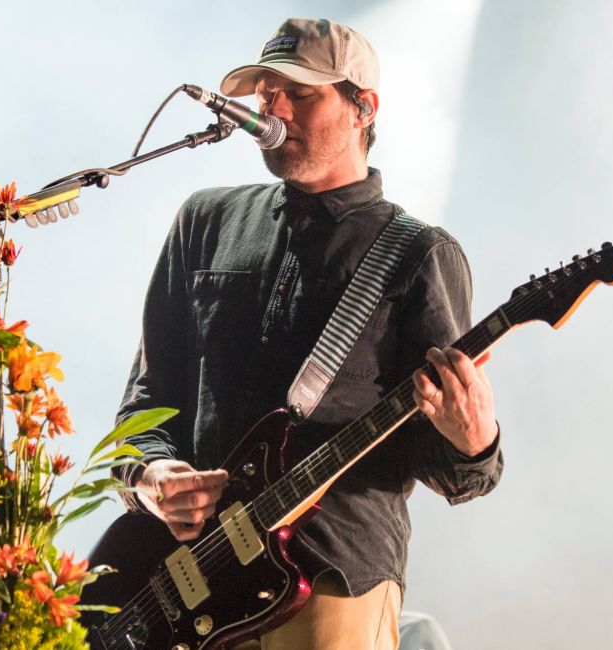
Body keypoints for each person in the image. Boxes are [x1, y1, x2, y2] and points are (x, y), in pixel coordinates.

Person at [113, 17, 503, 650]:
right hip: (186, 579)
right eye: (266, 90)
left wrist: (473, 440)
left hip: (331, 578)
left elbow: (454, 466)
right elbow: (147, 398)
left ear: (362, 107)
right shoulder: (204, 221)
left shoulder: (417, 254)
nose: (274, 106)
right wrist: (151, 474)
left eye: (301, 91)